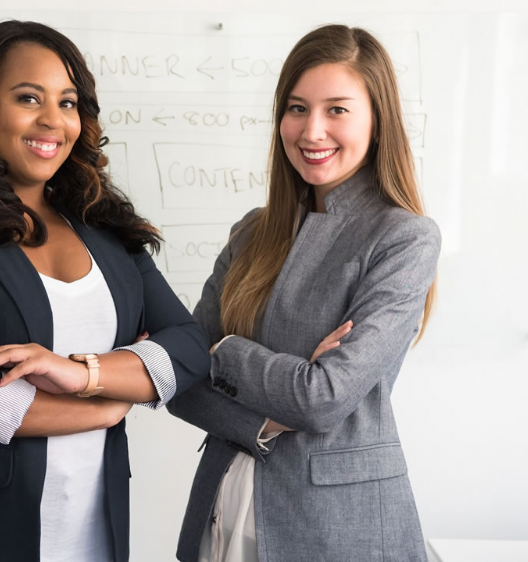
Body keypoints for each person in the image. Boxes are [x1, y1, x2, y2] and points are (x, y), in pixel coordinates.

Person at [0, 20, 209, 562]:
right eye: (29, 98)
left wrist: (84, 375)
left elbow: (189, 346)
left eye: (68, 102)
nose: (54, 119)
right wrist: (104, 407)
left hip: (92, 536)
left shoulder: (106, 233)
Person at [167, 24, 440, 562]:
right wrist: (262, 420)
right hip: (223, 506)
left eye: (337, 109)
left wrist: (223, 351)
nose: (312, 130)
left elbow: (322, 398)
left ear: (377, 119)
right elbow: (178, 376)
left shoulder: (404, 237)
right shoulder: (252, 230)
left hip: (337, 527)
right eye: (297, 108)